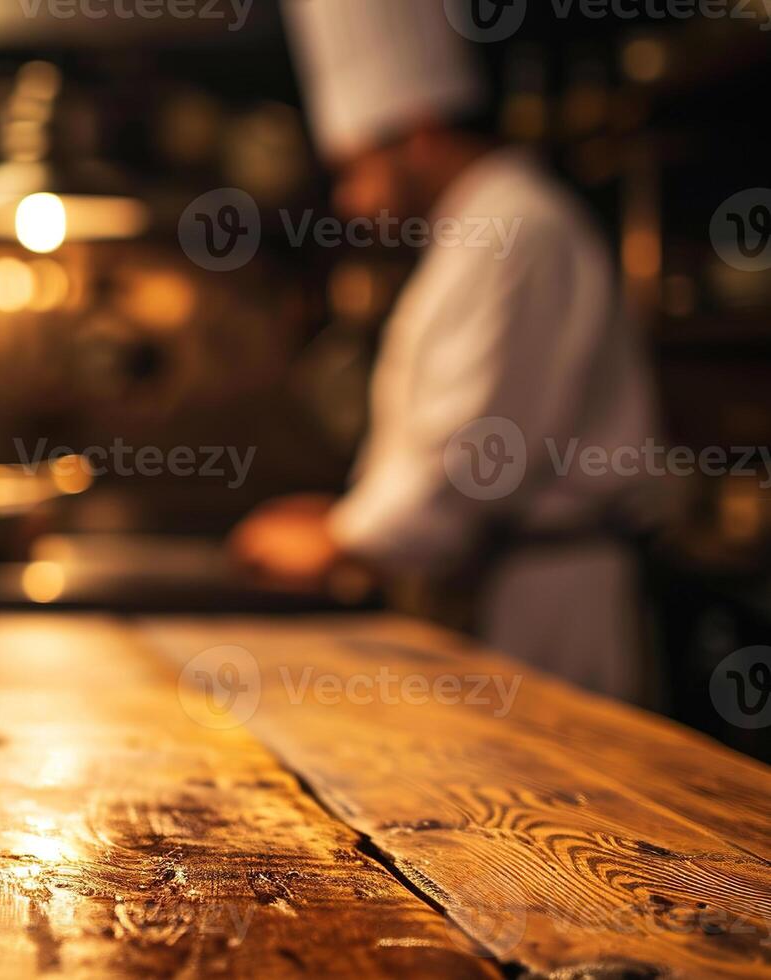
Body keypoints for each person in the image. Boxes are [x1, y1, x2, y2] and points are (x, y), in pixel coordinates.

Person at [229, 0, 664, 700]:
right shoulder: (473, 234)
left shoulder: (517, 229)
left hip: (549, 608)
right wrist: (353, 517)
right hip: (502, 590)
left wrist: (342, 539)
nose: (349, 200)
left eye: (356, 168)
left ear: (420, 134)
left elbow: (473, 458)